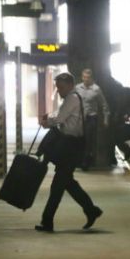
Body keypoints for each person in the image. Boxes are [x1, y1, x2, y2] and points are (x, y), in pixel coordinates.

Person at [36, 72, 103, 233]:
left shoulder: (72, 98)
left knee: (58, 185)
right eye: (57, 87)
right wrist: (50, 117)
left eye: (61, 87)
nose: (58, 90)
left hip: (71, 147)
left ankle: (47, 221)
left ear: (70, 85)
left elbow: (59, 118)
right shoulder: (70, 99)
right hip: (69, 146)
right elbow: (61, 114)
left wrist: (46, 122)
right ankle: (91, 210)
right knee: (67, 182)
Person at [76, 68, 111, 170]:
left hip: (91, 118)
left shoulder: (96, 89)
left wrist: (106, 120)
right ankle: (79, 160)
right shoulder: (78, 88)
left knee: (88, 140)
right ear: (82, 77)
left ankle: (86, 162)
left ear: (91, 78)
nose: (86, 79)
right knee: (78, 139)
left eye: (88, 77)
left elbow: (104, 105)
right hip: (79, 118)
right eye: (84, 77)